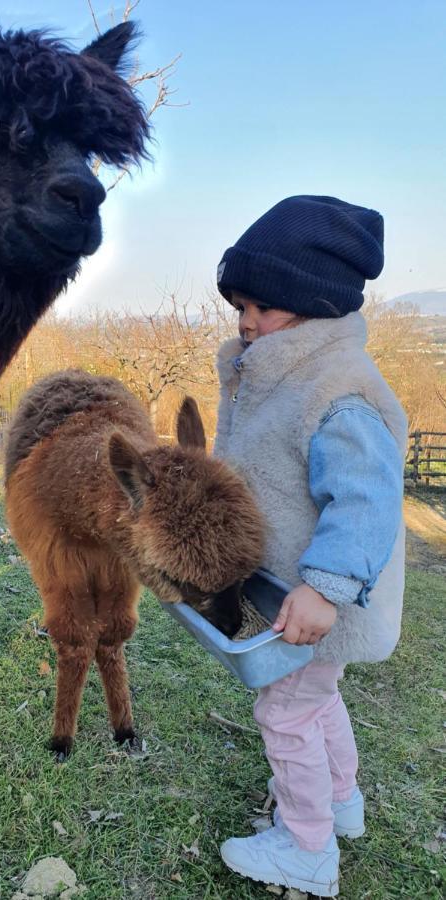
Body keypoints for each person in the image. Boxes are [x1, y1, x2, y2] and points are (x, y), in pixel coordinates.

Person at [213, 195, 407, 897]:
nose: (245, 321)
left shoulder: (334, 391)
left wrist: (324, 589)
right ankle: (339, 804)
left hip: (318, 599)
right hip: (296, 596)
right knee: (318, 701)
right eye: (238, 304)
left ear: (311, 303)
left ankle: (304, 848)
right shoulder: (272, 376)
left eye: (262, 307)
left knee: (284, 712)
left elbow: (365, 497)